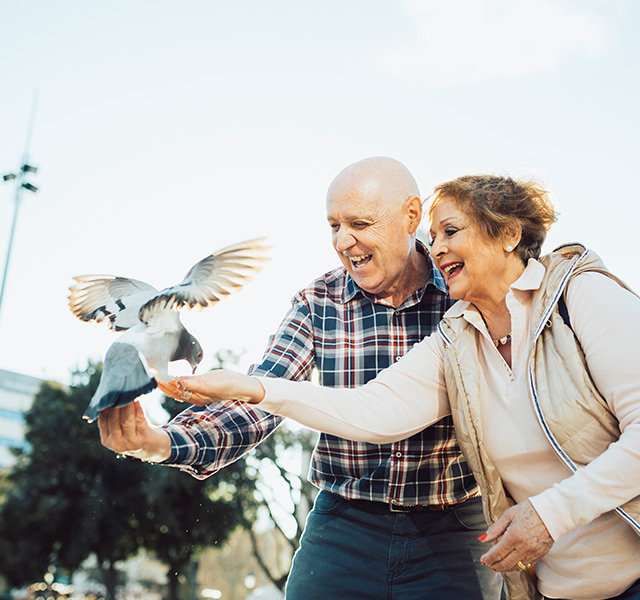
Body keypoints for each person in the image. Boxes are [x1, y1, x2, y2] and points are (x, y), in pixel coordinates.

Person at [157, 174, 640, 600]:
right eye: (333, 226)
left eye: (451, 232)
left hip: (521, 547)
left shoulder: (580, 296)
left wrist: (550, 515)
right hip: (545, 582)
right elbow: (374, 410)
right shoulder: (459, 333)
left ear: (509, 234)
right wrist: (246, 391)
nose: (440, 247)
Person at [98, 158, 502, 599]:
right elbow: (262, 393)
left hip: (456, 529)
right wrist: (161, 442)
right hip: (344, 526)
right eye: (333, 225)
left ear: (411, 216)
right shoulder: (318, 300)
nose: (343, 241)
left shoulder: (464, 295)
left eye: (360, 223)